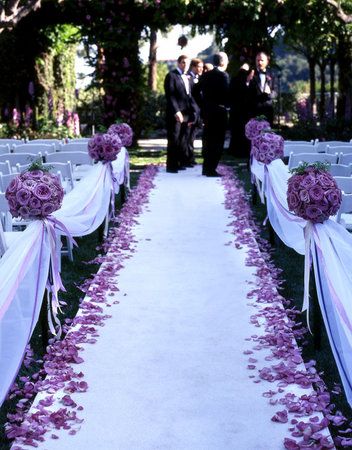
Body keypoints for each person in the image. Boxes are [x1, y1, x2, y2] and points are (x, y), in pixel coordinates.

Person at [164, 55, 199, 173]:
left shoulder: (188, 78)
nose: (185, 65)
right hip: (175, 113)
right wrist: (176, 111)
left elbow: (189, 97)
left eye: (187, 63)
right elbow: (170, 96)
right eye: (183, 63)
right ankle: (171, 165)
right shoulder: (171, 76)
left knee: (182, 139)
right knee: (174, 138)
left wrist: (194, 112)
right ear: (178, 63)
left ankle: (179, 162)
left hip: (186, 113)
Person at [198, 52, 230, 177]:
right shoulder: (223, 75)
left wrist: (203, 104)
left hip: (207, 111)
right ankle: (211, 168)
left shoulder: (206, 75)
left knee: (208, 140)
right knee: (218, 141)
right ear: (223, 62)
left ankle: (206, 168)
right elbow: (227, 94)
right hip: (219, 112)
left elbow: (195, 90)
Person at [229, 58, 252, 158]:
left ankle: (237, 151)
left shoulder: (235, 80)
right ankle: (239, 151)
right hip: (241, 111)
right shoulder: (243, 82)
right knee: (240, 132)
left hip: (238, 111)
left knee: (238, 133)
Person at [247, 51, 275, 126]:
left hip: (268, 109)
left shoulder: (271, 74)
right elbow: (246, 92)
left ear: (267, 62)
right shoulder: (251, 74)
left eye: (262, 60)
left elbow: (275, 91)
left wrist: (270, 93)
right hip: (254, 110)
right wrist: (247, 81)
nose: (259, 62)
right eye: (257, 60)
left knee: (267, 134)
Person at [187, 58, 204, 166]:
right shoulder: (188, 78)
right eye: (199, 67)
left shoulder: (200, 78)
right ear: (193, 67)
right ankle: (187, 158)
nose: (201, 69)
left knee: (193, 135)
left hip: (198, 111)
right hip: (191, 111)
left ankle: (190, 157)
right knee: (188, 136)